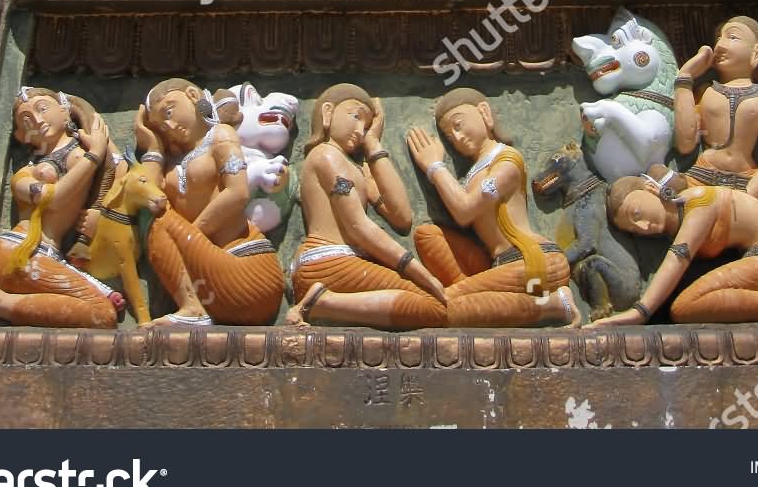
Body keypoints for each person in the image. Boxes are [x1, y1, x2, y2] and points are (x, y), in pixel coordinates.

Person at [406, 88, 579, 328]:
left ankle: (554, 304)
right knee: (427, 235)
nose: (456, 137)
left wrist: (435, 167)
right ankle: (479, 294)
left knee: (444, 304)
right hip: (499, 265)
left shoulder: (507, 160)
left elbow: (465, 210)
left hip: (535, 263)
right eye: (448, 135)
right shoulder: (473, 173)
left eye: (458, 124)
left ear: (484, 113)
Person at [0, 90, 125, 329]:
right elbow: (55, 198)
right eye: (26, 119)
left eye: (43, 108)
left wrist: (101, 211)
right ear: (21, 135)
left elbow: (120, 172)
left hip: (47, 257)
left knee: (102, 311)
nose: (37, 120)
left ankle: (0, 302)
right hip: (15, 253)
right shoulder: (25, 176)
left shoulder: (82, 153)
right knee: (102, 314)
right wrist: (94, 155)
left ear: (64, 110)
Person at [286, 85, 448, 328]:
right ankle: (322, 303)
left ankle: (327, 303)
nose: (360, 130)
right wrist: (419, 272)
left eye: (367, 125)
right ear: (328, 113)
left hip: (342, 263)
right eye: (355, 116)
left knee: (431, 305)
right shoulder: (326, 156)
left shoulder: (352, 167)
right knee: (432, 307)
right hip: (328, 263)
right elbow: (358, 227)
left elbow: (402, 216)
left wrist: (373, 145)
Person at [135, 78, 285, 325]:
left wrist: (189, 237)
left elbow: (237, 193)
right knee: (156, 212)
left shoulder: (220, 136)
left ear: (193, 95)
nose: (170, 125)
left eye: (170, 112)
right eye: (162, 126)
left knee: (162, 221)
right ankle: (192, 305)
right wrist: (153, 145)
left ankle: (192, 308)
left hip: (248, 269)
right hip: (210, 279)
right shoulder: (173, 162)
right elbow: (149, 195)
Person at [602, 171, 758, 325]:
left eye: (637, 213)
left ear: (650, 188)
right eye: (635, 230)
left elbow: (676, 259)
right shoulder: (679, 223)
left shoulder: (698, 202)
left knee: (685, 307)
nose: (644, 227)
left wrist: (639, 313)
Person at [673, 16, 758, 198]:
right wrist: (684, 78)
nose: (719, 46)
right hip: (699, 176)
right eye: (718, 39)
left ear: (756, 52)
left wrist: (746, 196)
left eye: (732, 37)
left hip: (745, 182)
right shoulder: (705, 92)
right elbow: (686, 144)